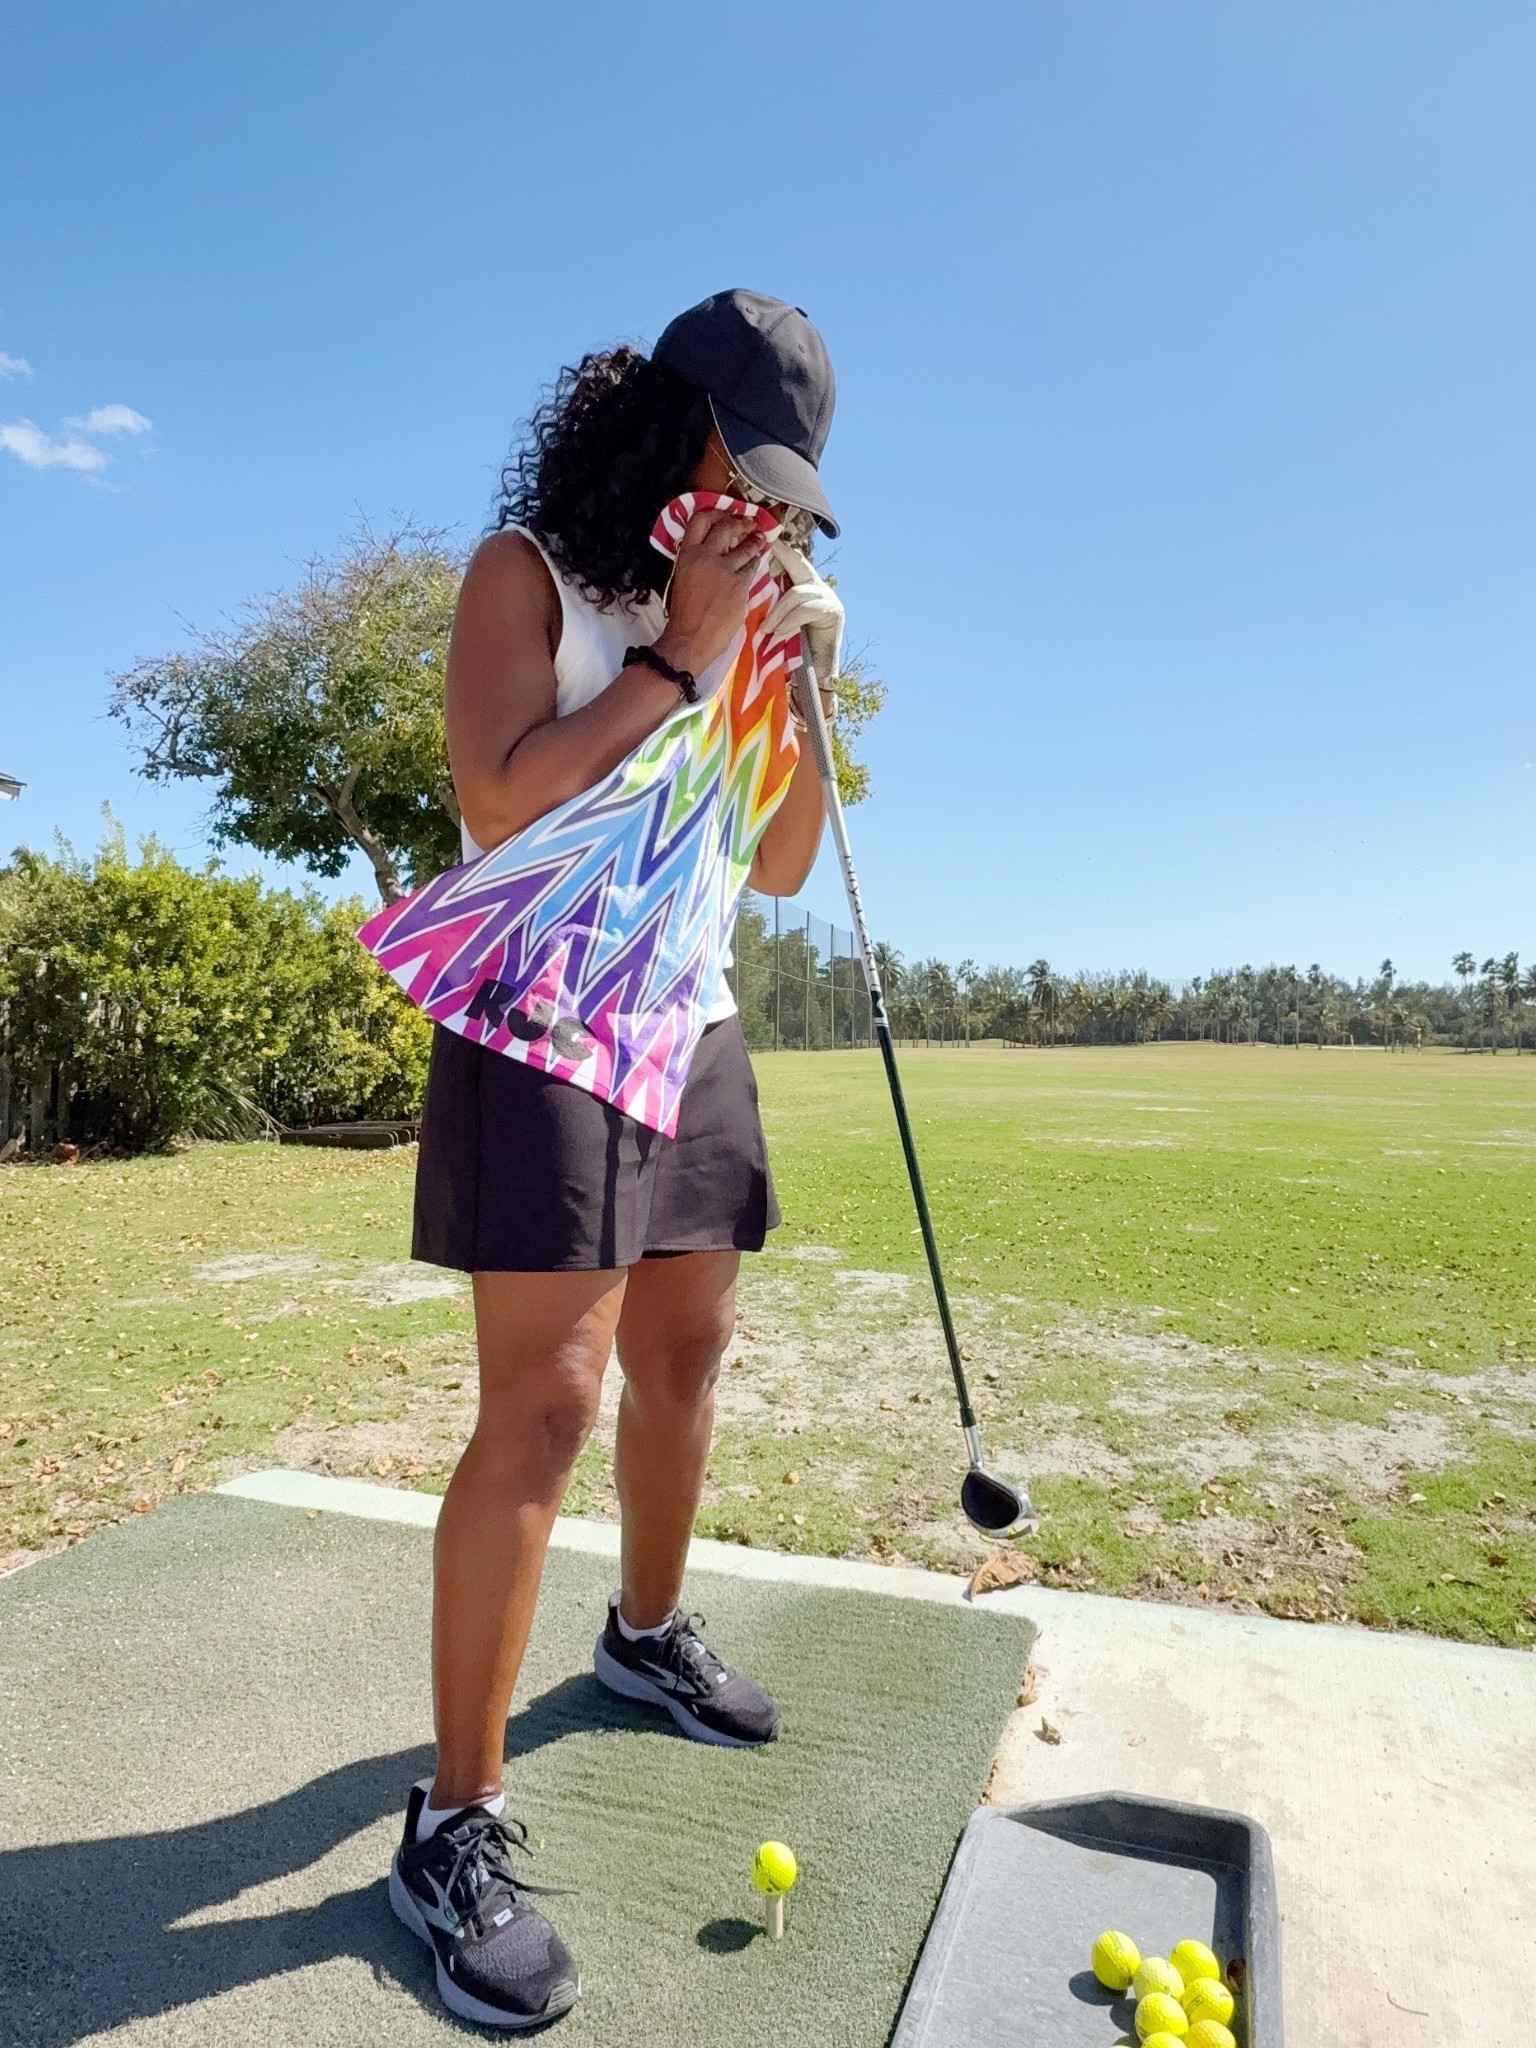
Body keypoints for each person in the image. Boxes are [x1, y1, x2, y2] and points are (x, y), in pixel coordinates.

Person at [388, 290, 842, 2029]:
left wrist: (785, 677)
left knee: (688, 1349)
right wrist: (674, 655)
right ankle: (455, 1819)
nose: (774, 510)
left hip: (693, 1015)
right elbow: (501, 800)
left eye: (796, 492)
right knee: (549, 1407)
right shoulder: (530, 577)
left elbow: (786, 861)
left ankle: (643, 1635)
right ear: (672, 432)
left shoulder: (746, 612)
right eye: (755, 467)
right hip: (542, 1012)